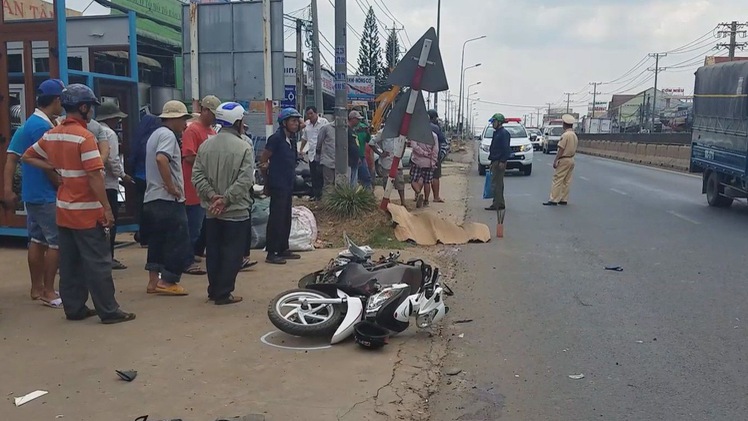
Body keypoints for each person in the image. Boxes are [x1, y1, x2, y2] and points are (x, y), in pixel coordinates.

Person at [22, 84, 135, 324]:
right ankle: (109, 310)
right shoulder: (84, 137)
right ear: (83, 108)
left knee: (71, 263)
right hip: (87, 212)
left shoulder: (53, 134)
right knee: (98, 263)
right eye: (90, 107)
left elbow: (28, 156)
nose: (92, 112)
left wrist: (54, 168)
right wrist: (106, 208)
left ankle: (74, 308)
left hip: (64, 210)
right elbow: (95, 175)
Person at [2, 79, 65, 309]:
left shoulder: (28, 124)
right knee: (56, 243)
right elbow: (49, 163)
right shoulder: (44, 128)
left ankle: (36, 288)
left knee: (37, 240)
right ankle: (49, 291)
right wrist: (59, 183)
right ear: (57, 100)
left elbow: (11, 157)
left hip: (32, 193)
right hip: (46, 194)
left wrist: (8, 190)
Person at [192, 102, 255, 305]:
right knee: (232, 253)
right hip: (236, 211)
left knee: (214, 252)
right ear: (237, 122)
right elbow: (246, 180)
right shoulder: (244, 147)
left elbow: (197, 176)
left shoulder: (205, 145)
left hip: (211, 211)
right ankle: (224, 292)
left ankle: (214, 289)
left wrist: (213, 197)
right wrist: (226, 199)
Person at [142, 100, 193, 296]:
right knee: (178, 240)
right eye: (183, 120)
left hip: (152, 198)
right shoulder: (168, 135)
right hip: (167, 199)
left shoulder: (155, 134)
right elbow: (161, 158)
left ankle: (153, 281)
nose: (185, 125)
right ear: (175, 119)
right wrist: (172, 187)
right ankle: (168, 279)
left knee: (157, 240)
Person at [182, 95, 220, 275]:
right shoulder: (193, 131)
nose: (214, 117)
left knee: (204, 225)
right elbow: (189, 156)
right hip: (193, 187)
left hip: (208, 187)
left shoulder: (212, 132)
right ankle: (187, 260)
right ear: (204, 110)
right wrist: (209, 161)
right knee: (192, 226)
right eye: (212, 113)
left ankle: (195, 252)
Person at [260, 108, 303, 265]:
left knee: (285, 217)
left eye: (297, 121)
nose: (296, 124)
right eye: (293, 121)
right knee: (276, 219)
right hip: (277, 183)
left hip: (288, 183)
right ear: (284, 123)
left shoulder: (291, 139)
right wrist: (266, 182)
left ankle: (283, 248)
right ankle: (272, 252)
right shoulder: (276, 138)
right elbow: (263, 161)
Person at [94, 102, 133, 270]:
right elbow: (112, 160)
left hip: (94, 183)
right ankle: (108, 257)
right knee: (110, 222)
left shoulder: (93, 129)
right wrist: (123, 176)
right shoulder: (109, 134)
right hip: (108, 183)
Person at [130, 114, 161, 246]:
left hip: (138, 177)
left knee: (141, 208)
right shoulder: (154, 140)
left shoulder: (137, 140)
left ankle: (142, 234)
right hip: (151, 178)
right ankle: (149, 236)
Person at [485, 113, 511, 238]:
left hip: (499, 161)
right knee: (495, 182)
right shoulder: (497, 133)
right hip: (495, 160)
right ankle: (497, 202)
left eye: (494, 121)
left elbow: (506, 149)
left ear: (499, 122)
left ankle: (499, 204)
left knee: (497, 183)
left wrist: (502, 161)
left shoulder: (504, 133)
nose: (492, 124)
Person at [544, 114, 579, 206]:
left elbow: (561, 149)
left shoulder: (565, 135)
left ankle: (553, 199)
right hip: (571, 159)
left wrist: (556, 160)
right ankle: (564, 199)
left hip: (564, 159)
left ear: (565, 124)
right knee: (567, 180)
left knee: (557, 179)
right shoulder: (574, 135)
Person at [299, 106, 329, 200]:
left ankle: (324, 196)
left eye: (311, 113)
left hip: (323, 154)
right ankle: (317, 196)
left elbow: (329, 136)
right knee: (314, 176)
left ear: (316, 113)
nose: (310, 116)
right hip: (312, 154)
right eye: (308, 114)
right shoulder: (307, 125)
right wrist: (301, 150)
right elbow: (304, 138)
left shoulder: (324, 122)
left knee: (322, 176)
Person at [370, 130, 406, 205]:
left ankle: (403, 202)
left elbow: (404, 143)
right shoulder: (383, 132)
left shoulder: (399, 131)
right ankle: (387, 201)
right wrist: (380, 154)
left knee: (400, 182)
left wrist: (401, 154)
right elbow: (371, 143)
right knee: (387, 183)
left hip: (397, 161)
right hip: (386, 161)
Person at [409, 132, 439, 208]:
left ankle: (418, 193)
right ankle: (426, 201)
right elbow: (436, 150)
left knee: (414, 180)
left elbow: (414, 146)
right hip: (429, 163)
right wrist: (433, 162)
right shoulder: (434, 135)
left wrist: (423, 153)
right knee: (427, 182)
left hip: (417, 161)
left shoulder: (416, 134)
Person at [428, 109, 449, 203]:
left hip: (420, 156)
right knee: (435, 176)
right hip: (434, 155)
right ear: (433, 118)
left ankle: (418, 195)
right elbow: (443, 139)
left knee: (421, 177)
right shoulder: (435, 128)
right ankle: (436, 197)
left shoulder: (419, 126)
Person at [349, 110, 373, 190]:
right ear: (353, 119)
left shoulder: (363, 127)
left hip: (361, 156)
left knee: (366, 177)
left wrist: (367, 132)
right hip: (352, 157)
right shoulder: (349, 129)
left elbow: (368, 140)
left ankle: (369, 195)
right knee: (352, 178)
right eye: (357, 119)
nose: (359, 121)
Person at [315, 120, 337, 191]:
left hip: (340, 163)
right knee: (328, 184)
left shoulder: (345, 129)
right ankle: (327, 201)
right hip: (328, 161)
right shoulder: (326, 128)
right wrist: (318, 157)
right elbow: (319, 143)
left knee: (339, 184)